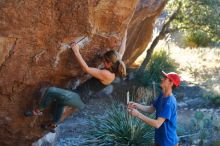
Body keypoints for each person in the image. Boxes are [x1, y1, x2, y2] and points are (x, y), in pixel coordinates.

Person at [25, 31, 127, 132]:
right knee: (59, 102)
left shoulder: (107, 75)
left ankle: (38, 110)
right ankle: (53, 125)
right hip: (78, 95)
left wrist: (76, 51)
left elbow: (86, 69)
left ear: (110, 64)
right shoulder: (116, 63)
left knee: (51, 91)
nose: (103, 62)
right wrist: (125, 32)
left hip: (80, 98)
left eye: (105, 61)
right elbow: (122, 50)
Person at [128, 71, 181, 146]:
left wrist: (138, 114)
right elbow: (150, 109)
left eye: (166, 78)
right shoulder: (162, 95)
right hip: (160, 139)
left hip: (168, 142)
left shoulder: (169, 103)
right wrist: (136, 105)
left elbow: (157, 124)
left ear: (171, 83)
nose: (162, 79)